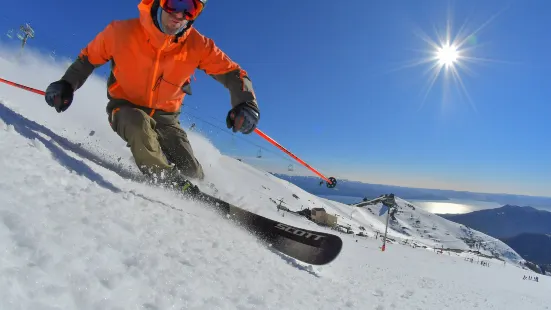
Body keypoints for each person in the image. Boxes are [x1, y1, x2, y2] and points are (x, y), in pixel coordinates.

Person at [43, 0, 260, 185]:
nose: (179, 14)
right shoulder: (121, 32)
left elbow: (232, 72)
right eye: (174, 3)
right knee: (139, 126)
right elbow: (88, 59)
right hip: (126, 107)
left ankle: (203, 193)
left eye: (190, 8)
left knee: (191, 171)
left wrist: (246, 103)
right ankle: (168, 183)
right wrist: (66, 84)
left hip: (167, 119)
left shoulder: (198, 45)